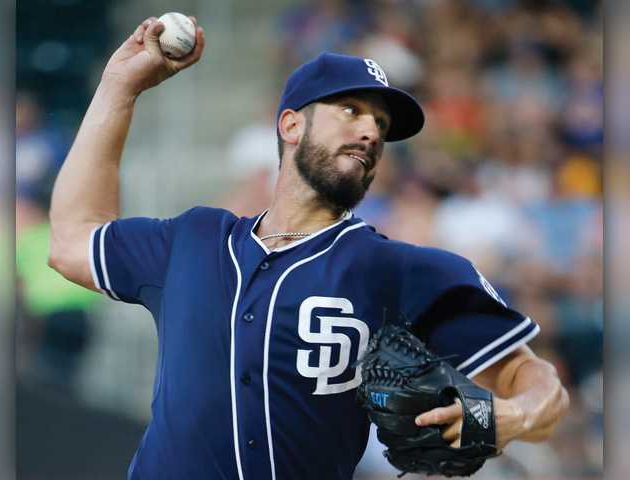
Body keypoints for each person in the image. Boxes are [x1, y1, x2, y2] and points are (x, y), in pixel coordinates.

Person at [48, 16, 569, 480]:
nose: (370, 131)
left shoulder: (398, 269)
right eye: (351, 110)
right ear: (291, 124)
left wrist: (507, 417)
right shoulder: (192, 240)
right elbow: (71, 240)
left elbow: (539, 385)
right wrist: (119, 87)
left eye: (381, 125)